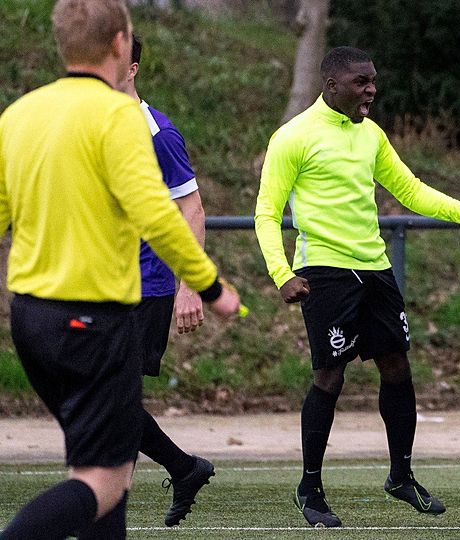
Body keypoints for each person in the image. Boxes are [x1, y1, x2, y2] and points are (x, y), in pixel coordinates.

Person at [0, 2, 240, 539]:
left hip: (31, 320)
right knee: (105, 482)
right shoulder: (120, 116)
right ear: (119, 44)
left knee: (104, 469)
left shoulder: (18, 115)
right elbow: (158, 214)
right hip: (92, 321)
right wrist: (208, 286)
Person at [255, 46, 460, 528]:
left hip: (375, 269)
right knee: (329, 377)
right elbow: (267, 213)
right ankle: (309, 487)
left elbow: (411, 190)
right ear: (331, 85)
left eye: (373, 80)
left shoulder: (371, 134)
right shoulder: (293, 137)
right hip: (324, 271)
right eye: (361, 82)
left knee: (397, 368)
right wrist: (282, 273)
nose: (371, 90)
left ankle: (401, 476)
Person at [115, 34, 216, 527]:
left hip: (146, 284)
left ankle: (108, 511)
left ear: (132, 69)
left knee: (114, 398)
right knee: (108, 398)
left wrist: (189, 285)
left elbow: (192, 209)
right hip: (100, 283)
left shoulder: (156, 132)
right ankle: (183, 468)